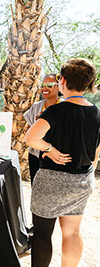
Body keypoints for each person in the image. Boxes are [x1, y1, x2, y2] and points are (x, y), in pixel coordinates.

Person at [25, 58, 100, 267]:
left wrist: (50, 149)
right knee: (73, 232)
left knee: (42, 234)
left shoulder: (56, 110)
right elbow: (96, 152)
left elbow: (31, 139)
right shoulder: (96, 112)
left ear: (63, 81)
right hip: (82, 181)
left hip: (51, 180)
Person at [24, 73, 61, 184]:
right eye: (42, 85)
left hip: (56, 155)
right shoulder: (36, 107)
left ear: (59, 86)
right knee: (35, 187)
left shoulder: (65, 107)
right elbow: (30, 130)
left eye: (49, 85)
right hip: (36, 154)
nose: (44, 88)